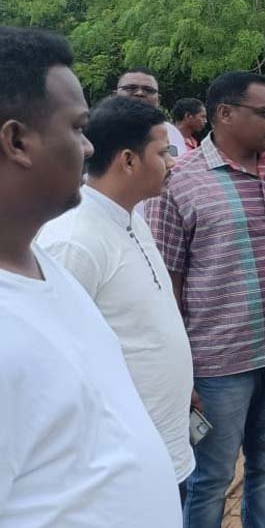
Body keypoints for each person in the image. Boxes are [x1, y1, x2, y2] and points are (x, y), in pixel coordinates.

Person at [0, 26, 180, 527]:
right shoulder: (68, 247)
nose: (87, 147)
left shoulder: (45, 266)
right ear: (17, 141)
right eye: (79, 128)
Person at [145, 70, 265, 527]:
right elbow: (166, 283)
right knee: (211, 477)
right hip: (221, 364)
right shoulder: (180, 182)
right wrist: (178, 370)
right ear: (224, 114)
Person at [38, 96, 195, 504]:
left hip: (162, 446)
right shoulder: (74, 241)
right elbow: (54, 369)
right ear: (128, 160)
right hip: (119, 467)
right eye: (163, 153)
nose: (173, 163)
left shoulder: (132, 219)